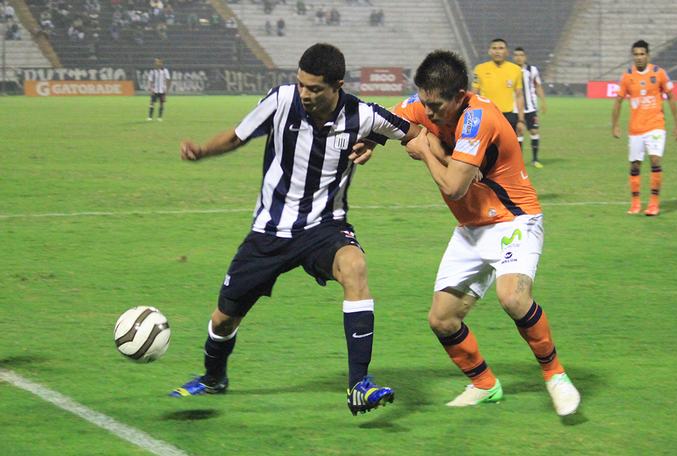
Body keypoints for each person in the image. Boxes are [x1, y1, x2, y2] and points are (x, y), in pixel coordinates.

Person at [170, 43, 420, 416]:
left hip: (325, 227)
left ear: (337, 86)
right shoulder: (282, 100)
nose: (305, 93)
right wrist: (203, 151)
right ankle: (212, 377)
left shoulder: (362, 114)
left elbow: (413, 131)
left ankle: (359, 385)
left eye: (315, 88)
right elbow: (238, 135)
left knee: (354, 266)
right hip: (269, 231)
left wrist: (374, 139)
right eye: (301, 84)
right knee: (223, 319)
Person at [394, 50, 580, 416]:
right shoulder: (426, 104)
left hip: (514, 219)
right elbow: (388, 119)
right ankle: (484, 384)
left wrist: (426, 150)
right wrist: (368, 142)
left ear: (459, 95)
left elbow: (453, 187)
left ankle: (555, 375)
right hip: (471, 227)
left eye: (436, 106)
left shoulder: (478, 118)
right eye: (424, 103)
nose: (428, 112)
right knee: (442, 319)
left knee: (512, 298)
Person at [612, 40, 677, 216]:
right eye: (636, 54)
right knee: (635, 166)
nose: (639, 57)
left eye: (642, 54)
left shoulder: (659, 73)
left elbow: (671, 97)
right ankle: (635, 203)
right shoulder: (627, 76)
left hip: (656, 125)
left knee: (655, 161)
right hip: (635, 129)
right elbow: (618, 101)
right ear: (632, 56)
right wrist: (615, 125)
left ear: (648, 55)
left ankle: (654, 203)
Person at [472, 38, 525, 138]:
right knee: (488, 146)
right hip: (487, 116)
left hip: (508, 116)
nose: (497, 51)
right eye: (494, 48)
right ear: (489, 51)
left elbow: (519, 96)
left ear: (507, 52)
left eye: (501, 48)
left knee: (508, 146)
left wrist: (521, 120)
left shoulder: (516, 70)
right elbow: (474, 95)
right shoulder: (480, 69)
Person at [513, 47, 547, 168]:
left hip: (531, 108)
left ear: (525, 57)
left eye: (521, 55)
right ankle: (518, 162)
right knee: (519, 133)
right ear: (513, 57)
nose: (519, 57)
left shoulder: (532, 70)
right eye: (516, 55)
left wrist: (543, 101)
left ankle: (535, 160)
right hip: (516, 109)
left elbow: (538, 86)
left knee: (534, 131)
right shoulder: (510, 70)